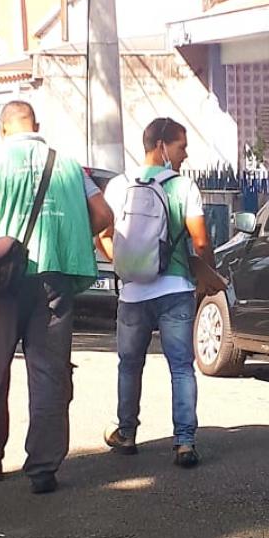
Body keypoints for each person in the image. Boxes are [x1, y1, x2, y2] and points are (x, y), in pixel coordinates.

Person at [0, 101, 113, 495]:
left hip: (5, 284)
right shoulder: (68, 164)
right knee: (49, 373)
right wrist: (70, 234)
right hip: (55, 279)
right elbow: (103, 214)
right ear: (36, 125)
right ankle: (43, 468)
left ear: (3, 128)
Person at [99, 118, 214, 467]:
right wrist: (206, 272)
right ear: (161, 145)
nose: (185, 154)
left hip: (132, 293)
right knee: (181, 366)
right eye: (181, 146)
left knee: (129, 365)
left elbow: (103, 234)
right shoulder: (184, 187)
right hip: (175, 287)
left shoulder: (118, 186)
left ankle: (126, 432)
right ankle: (184, 442)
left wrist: (125, 263)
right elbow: (200, 240)